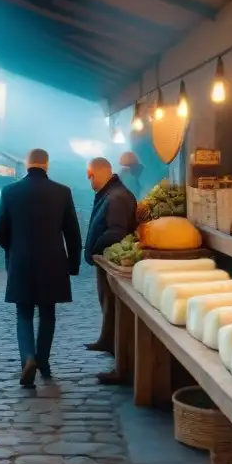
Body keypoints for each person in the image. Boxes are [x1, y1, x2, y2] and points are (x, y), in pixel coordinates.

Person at [0, 149, 81, 387]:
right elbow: (72, 233)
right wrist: (73, 266)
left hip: (21, 261)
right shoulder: (62, 192)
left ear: (26, 164)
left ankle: (28, 358)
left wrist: (13, 249)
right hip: (52, 262)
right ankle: (43, 361)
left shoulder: (10, 191)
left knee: (23, 314)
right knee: (47, 313)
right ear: (47, 165)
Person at [83, 157, 137, 383]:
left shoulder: (116, 197)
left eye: (90, 175)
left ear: (97, 174)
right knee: (106, 302)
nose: (89, 180)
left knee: (116, 308)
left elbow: (115, 231)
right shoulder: (111, 193)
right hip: (105, 260)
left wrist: (95, 249)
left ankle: (120, 362)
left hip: (111, 261)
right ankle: (106, 340)